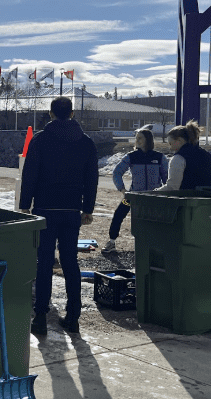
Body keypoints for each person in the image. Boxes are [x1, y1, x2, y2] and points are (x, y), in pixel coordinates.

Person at [19, 96, 98, 336]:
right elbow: (91, 177)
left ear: (51, 114)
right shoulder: (85, 142)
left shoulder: (41, 139)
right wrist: (88, 208)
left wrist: (25, 204)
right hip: (71, 209)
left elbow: (30, 172)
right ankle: (73, 317)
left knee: (44, 262)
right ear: (72, 114)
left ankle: (40, 316)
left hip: (45, 208)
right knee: (69, 261)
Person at [104, 128, 168, 252]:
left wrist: (165, 193)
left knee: (158, 221)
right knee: (118, 214)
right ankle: (111, 242)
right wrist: (123, 190)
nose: (137, 140)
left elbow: (166, 177)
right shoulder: (131, 157)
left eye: (140, 138)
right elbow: (117, 172)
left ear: (148, 140)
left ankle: (159, 246)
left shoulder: (159, 157)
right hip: (133, 196)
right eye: (136, 138)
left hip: (154, 197)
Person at [155, 120, 211, 192]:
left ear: (179, 140)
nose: (170, 148)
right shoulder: (209, 156)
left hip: (188, 200)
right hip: (209, 200)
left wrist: (154, 192)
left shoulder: (178, 158)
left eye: (171, 143)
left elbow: (172, 187)